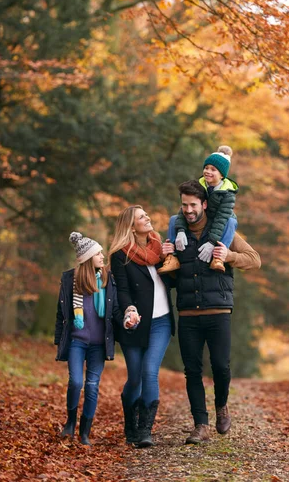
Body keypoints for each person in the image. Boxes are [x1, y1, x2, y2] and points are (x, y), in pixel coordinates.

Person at [162, 180, 261, 444]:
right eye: (184, 205)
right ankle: (200, 425)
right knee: (192, 370)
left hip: (218, 311)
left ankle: (222, 406)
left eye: (193, 205)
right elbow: (170, 280)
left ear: (204, 204)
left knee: (221, 366)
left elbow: (254, 259)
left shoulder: (223, 229)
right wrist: (166, 258)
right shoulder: (176, 233)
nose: (188, 210)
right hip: (188, 315)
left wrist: (228, 256)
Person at [109, 206, 175, 448]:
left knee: (149, 372)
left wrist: (172, 257)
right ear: (131, 226)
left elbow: (173, 281)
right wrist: (129, 310)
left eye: (146, 215)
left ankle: (146, 430)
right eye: (141, 217)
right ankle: (131, 425)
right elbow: (122, 290)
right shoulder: (120, 255)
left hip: (161, 320)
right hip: (134, 323)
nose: (147, 219)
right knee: (135, 377)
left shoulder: (160, 247)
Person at [54, 231, 122, 446]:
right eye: (98, 253)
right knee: (75, 382)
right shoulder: (70, 281)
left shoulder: (107, 280)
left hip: (98, 345)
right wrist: (59, 339)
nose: (102, 257)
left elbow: (115, 310)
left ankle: (85, 432)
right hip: (77, 341)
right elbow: (61, 312)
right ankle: (70, 423)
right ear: (87, 258)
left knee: (92, 385)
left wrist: (129, 320)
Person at [159, 145, 238, 274]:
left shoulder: (228, 193)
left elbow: (221, 217)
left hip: (220, 220)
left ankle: (218, 258)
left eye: (213, 169)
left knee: (231, 222)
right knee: (174, 219)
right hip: (202, 217)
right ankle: (172, 257)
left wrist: (212, 242)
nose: (208, 171)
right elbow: (186, 206)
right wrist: (180, 230)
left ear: (222, 175)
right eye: (206, 168)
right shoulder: (200, 185)